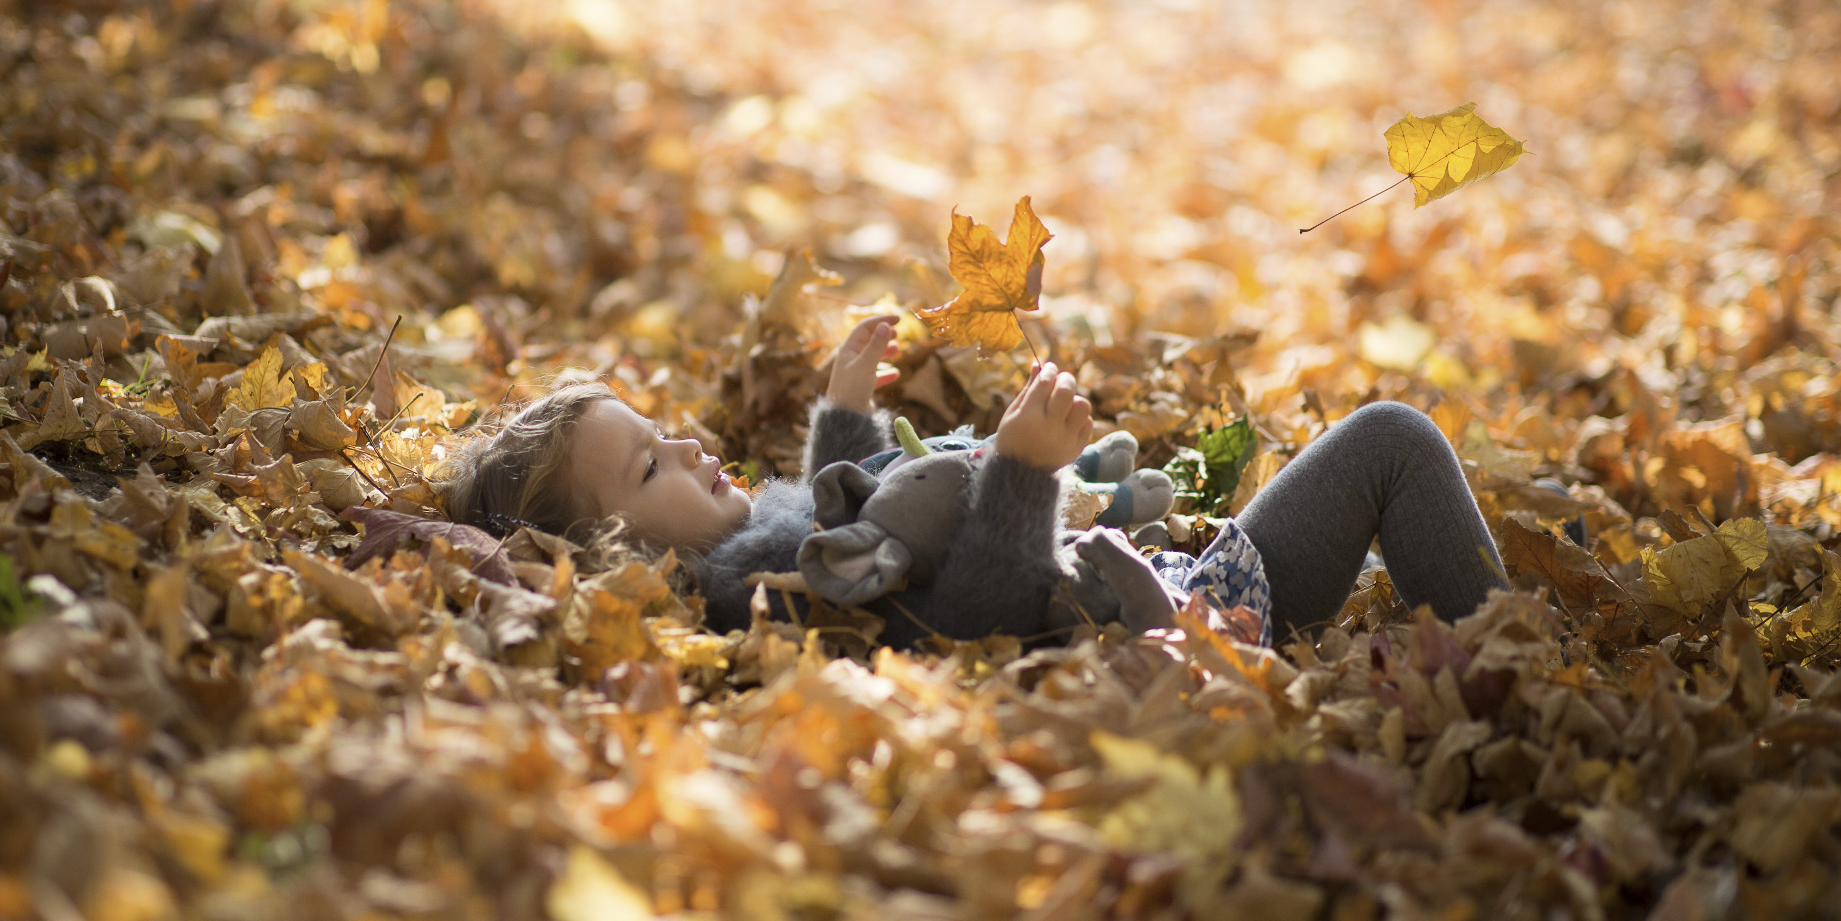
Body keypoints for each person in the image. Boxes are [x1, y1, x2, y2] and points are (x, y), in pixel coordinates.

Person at [425, 313, 1509, 648]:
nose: (691, 445)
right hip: (1184, 618)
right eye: (651, 464)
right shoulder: (744, 593)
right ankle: (1514, 642)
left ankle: (1506, 628)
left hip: (1183, 571)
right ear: (620, 555)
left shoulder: (754, 542)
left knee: (1385, 437)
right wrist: (1024, 476)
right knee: (1390, 439)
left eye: (663, 428)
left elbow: (857, 512)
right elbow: (958, 617)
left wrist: (844, 412)